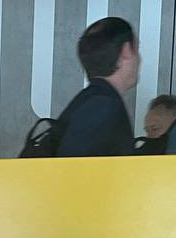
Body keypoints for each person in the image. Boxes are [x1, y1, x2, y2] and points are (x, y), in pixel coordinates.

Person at [56, 17, 140, 157]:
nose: (139, 59)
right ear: (125, 51)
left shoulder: (89, 101)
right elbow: (74, 166)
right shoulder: (103, 105)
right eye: (136, 50)